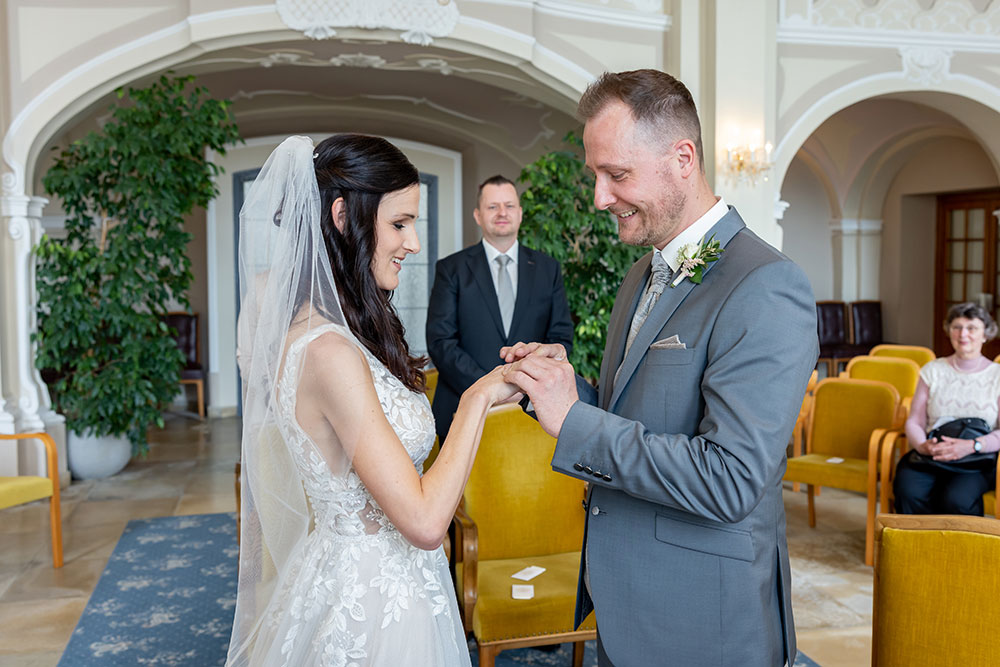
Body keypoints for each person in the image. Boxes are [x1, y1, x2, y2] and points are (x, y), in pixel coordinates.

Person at [500, 70, 818, 666]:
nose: (599, 197)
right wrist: (556, 390)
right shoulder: (640, 274)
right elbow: (639, 414)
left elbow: (730, 479)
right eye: (597, 175)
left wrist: (574, 423)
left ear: (682, 158)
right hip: (625, 604)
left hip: (702, 620)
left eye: (616, 175)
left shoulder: (766, 285)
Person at [227, 135, 518, 666]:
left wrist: (512, 381)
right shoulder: (328, 352)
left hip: (394, 581)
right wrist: (476, 397)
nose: (412, 243)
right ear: (344, 216)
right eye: (399, 223)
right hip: (371, 602)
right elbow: (427, 523)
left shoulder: (343, 333)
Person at [426, 175, 573, 442]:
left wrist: (524, 387)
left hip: (533, 410)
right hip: (462, 407)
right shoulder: (451, 269)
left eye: (509, 205)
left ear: (520, 213)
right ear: (478, 215)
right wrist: (491, 389)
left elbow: (561, 338)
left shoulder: (547, 268)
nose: (502, 213)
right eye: (492, 207)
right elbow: (440, 342)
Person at [893, 302, 1000, 515]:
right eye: (957, 327)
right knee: (908, 490)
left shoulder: (997, 375)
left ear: (985, 334)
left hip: (976, 460)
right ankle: (916, 547)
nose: (963, 334)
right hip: (932, 454)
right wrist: (922, 445)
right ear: (949, 331)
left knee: (956, 500)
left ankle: (959, 549)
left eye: (972, 328)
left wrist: (973, 446)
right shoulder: (932, 370)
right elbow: (915, 421)